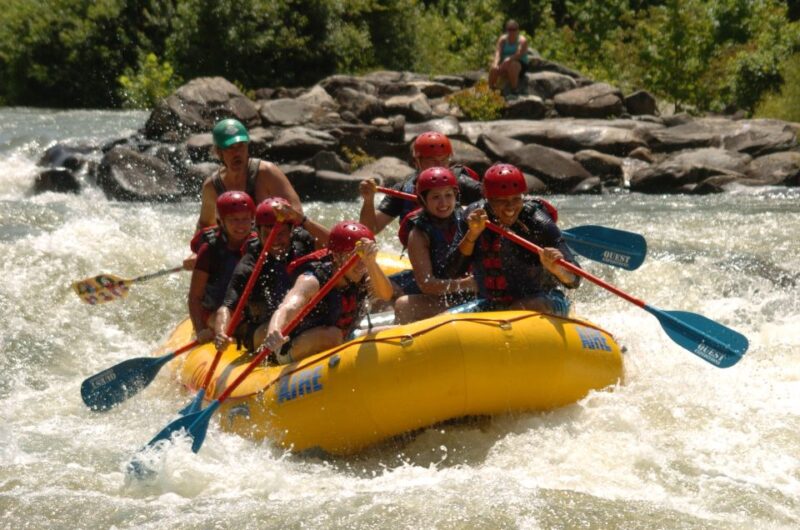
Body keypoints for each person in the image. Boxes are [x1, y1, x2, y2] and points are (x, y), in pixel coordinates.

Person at [446, 163, 580, 315]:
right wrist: (472, 235)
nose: (510, 207)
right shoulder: (474, 216)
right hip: (492, 304)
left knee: (527, 306)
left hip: (545, 301)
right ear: (487, 198)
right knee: (445, 318)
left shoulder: (538, 221)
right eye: (501, 200)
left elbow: (575, 280)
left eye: (516, 199)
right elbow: (452, 271)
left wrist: (558, 270)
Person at [261, 221, 394, 364]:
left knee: (392, 333)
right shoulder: (312, 280)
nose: (361, 264)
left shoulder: (363, 271)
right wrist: (274, 330)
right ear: (336, 256)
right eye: (354, 256)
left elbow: (386, 295)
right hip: (296, 346)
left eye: (363, 257)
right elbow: (289, 307)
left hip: (342, 338)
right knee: (331, 335)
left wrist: (371, 262)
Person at [213, 197, 330, 352]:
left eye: (281, 234)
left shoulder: (302, 240)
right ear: (258, 233)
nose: (275, 240)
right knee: (290, 322)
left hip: (298, 314)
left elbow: (337, 245)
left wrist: (301, 219)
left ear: (292, 231)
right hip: (260, 329)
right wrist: (221, 332)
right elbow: (227, 306)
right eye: (267, 234)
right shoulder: (250, 263)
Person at [184, 117, 302, 269]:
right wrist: (196, 253)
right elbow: (205, 226)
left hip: (273, 252)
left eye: (241, 146)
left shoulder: (267, 173)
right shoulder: (211, 187)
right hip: (236, 258)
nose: (237, 153)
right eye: (230, 148)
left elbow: (297, 213)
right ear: (219, 152)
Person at [393, 167, 477, 324]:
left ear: (456, 195)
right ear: (423, 200)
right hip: (447, 293)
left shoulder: (469, 217)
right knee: (403, 305)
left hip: (473, 293)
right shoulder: (418, 234)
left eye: (448, 195)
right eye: (436, 197)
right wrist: (466, 284)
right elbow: (426, 285)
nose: (444, 203)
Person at [358, 131, 482, 235]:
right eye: (432, 160)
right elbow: (370, 230)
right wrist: (368, 200)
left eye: (444, 160)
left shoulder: (461, 182)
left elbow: (494, 201)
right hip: (419, 252)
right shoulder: (403, 189)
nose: (439, 166)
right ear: (417, 161)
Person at [188, 191, 257, 343]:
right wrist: (200, 330)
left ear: (252, 220)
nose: (240, 225)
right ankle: (222, 337)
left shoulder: (258, 244)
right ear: (221, 221)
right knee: (229, 320)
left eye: (245, 219)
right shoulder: (210, 249)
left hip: (247, 311)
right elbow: (195, 297)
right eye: (233, 219)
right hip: (213, 313)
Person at [488, 19, 529, 95]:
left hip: (519, 63)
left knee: (512, 65)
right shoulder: (503, 39)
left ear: (517, 30)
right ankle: (491, 88)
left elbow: (519, 53)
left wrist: (509, 59)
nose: (511, 32)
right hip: (504, 63)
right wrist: (496, 63)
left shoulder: (522, 40)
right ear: (506, 30)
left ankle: (514, 89)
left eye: (514, 29)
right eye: (509, 29)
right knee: (493, 68)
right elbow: (498, 52)